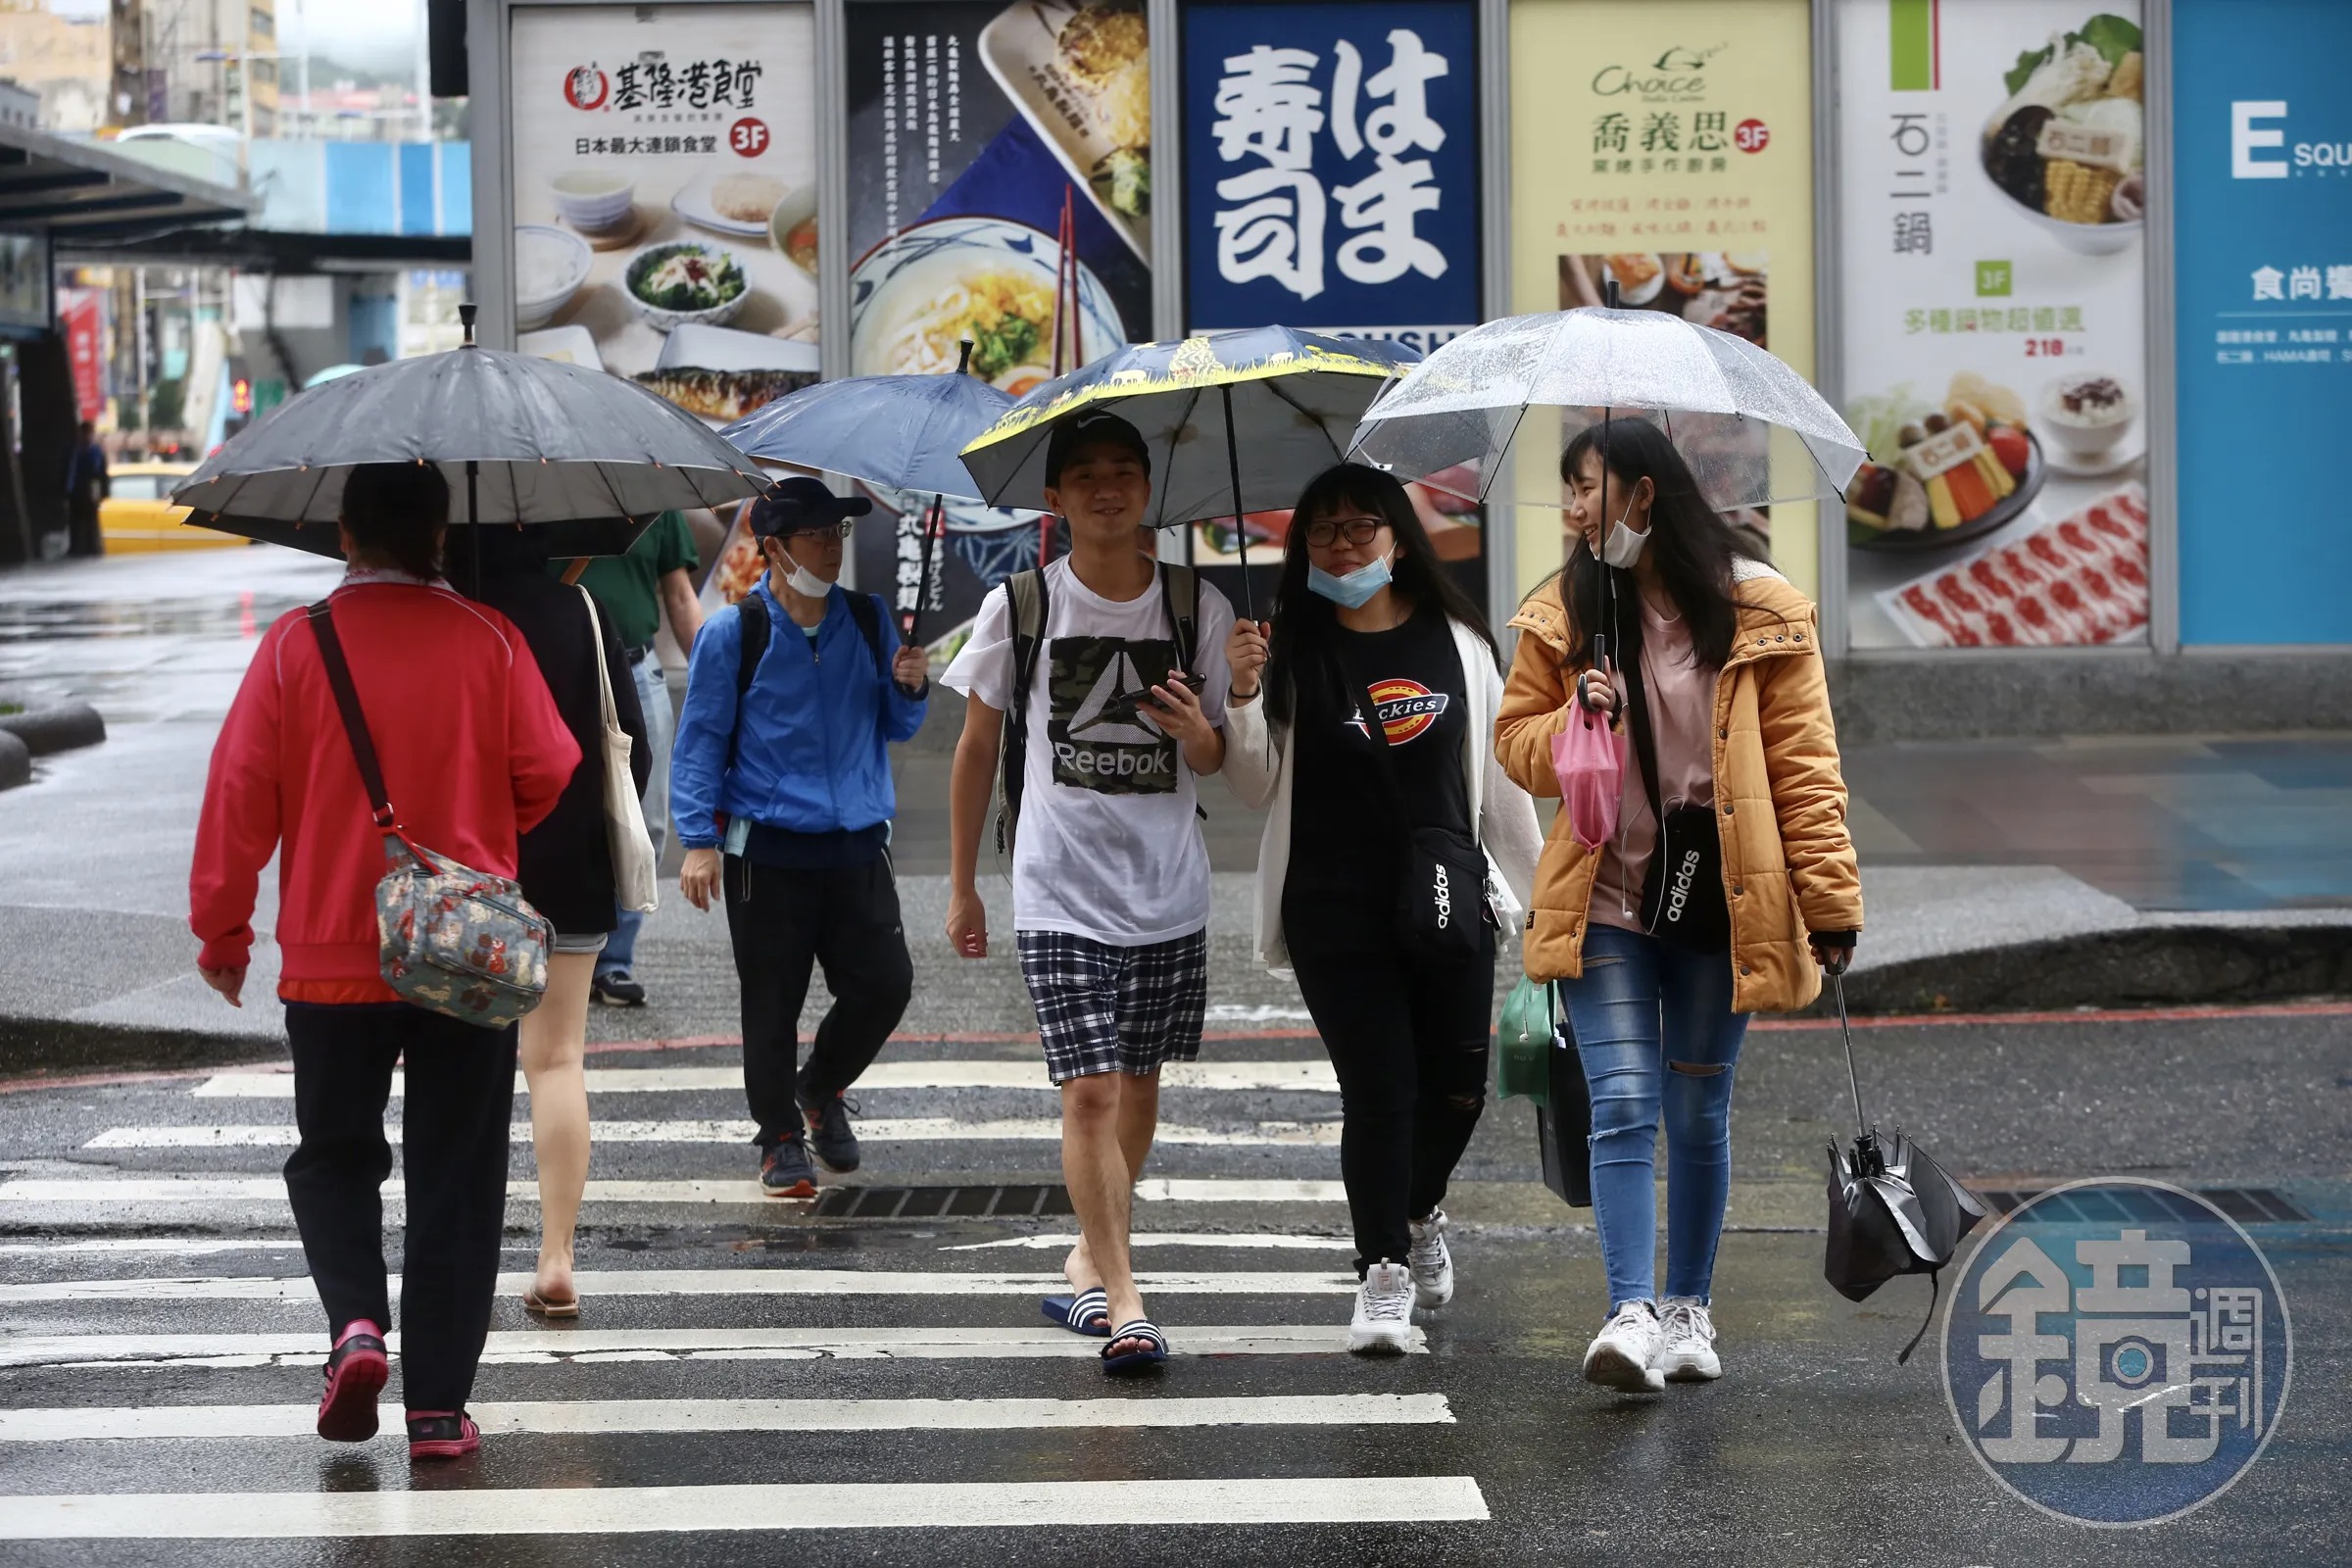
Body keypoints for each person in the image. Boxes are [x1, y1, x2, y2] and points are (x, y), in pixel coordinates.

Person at [189, 462, 579, 1460]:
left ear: (343, 533)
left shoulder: (293, 646)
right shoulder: (492, 640)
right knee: (456, 1173)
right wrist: (476, 840)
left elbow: (241, 794)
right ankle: (439, 1410)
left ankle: (356, 1324)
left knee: (333, 1156)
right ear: (439, 535)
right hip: (465, 953)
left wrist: (224, 930)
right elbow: (549, 770)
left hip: (330, 955)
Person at [1494, 418, 1863, 1393]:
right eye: (1568, 489)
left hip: (1721, 899)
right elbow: (1515, 745)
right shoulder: (1564, 612)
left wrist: (1830, 903)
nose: (1573, 508)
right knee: (1620, 1103)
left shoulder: (1762, 610)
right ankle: (1628, 1310)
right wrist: (1580, 711)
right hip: (1603, 895)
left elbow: (1805, 770)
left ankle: (1690, 1306)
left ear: (1644, 494)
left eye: (1586, 487)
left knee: (1698, 1108)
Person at [1221, 463, 1541, 1353]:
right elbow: (1253, 785)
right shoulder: (1288, 646)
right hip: (1333, 906)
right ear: (1304, 548)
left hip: (1447, 897)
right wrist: (1242, 695)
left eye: (1364, 527)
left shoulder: (1463, 645)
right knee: (1379, 1091)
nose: (1345, 544)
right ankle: (1382, 1272)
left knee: (1461, 1088)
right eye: (1325, 531)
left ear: (1400, 539)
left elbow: (1500, 794)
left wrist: (1549, 900)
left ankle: (1417, 1207)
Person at [942, 410, 1235, 1376]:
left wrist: (1200, 723)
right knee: (1093, 1092)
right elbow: (977, 749)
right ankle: (1123, 1296)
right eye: (1086, 476)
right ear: (1055, 500)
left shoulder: (1201, 608)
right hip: (1057, 887)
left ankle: (1088, 1249)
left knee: (1139, 1086)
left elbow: (1219, 759)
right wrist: (963, 888)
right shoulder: (1021, 605)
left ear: (1146, 490)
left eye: (1124, 472)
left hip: (1168, 889)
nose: (1107, 489)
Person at [670, 477, 929, 1199]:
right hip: (768, 852)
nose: (831, 548)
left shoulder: (869, 618)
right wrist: (698, 838)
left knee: (886, 985)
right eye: (817, 535)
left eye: (838, 534)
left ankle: (818, 1088)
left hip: (855, 844)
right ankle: (779, 1133)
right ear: (774, 548)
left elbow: (897, 726)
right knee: (772, 1002)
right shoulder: (734, 632)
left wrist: (909, 686)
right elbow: (700, 743)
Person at [453, 528, 651, 1320]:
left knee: (469, 1078)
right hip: (572, 871)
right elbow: (632, 749)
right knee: (557, 1061)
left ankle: (462, 1255)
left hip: (469, 874)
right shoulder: (586, 611)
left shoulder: (455, 616)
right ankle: (558, 1257)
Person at [568, 507, 705, 1007]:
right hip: (560, 668)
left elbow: (679, 594)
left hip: (637, 669)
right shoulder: (547, 489)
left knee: (645, 821)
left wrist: (716, 679)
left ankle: (612, 963)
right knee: (564, 816)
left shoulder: (655, 498)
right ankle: (559, 949)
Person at [66, 418, 107, 558]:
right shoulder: (74, 450)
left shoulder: (94, 451)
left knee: (89, 521)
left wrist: (101, 492)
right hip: (76, 491)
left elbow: (100, 473)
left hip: (88, 491)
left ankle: (91, 547)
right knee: (74, 520)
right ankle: (76, 547)